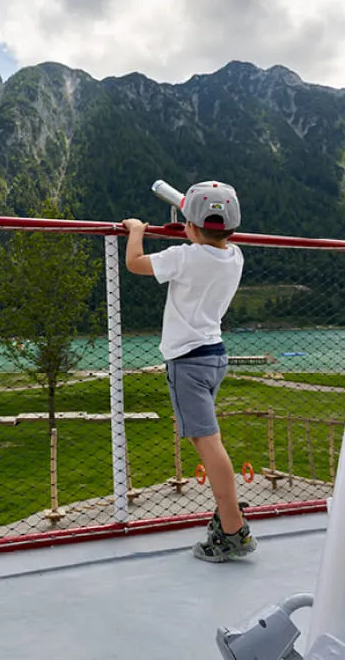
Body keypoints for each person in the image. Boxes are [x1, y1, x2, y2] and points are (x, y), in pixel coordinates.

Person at [120, 181, 256, 562]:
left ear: (189, 228)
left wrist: (136, 232)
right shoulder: (236, 256)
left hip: (188, 362)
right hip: (215, 356)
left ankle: (232, 529)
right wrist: (195, 233)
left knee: (208, 443)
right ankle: (229, 516)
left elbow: (135, 264)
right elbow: (210, 243)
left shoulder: (184, 256)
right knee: (210, 439)